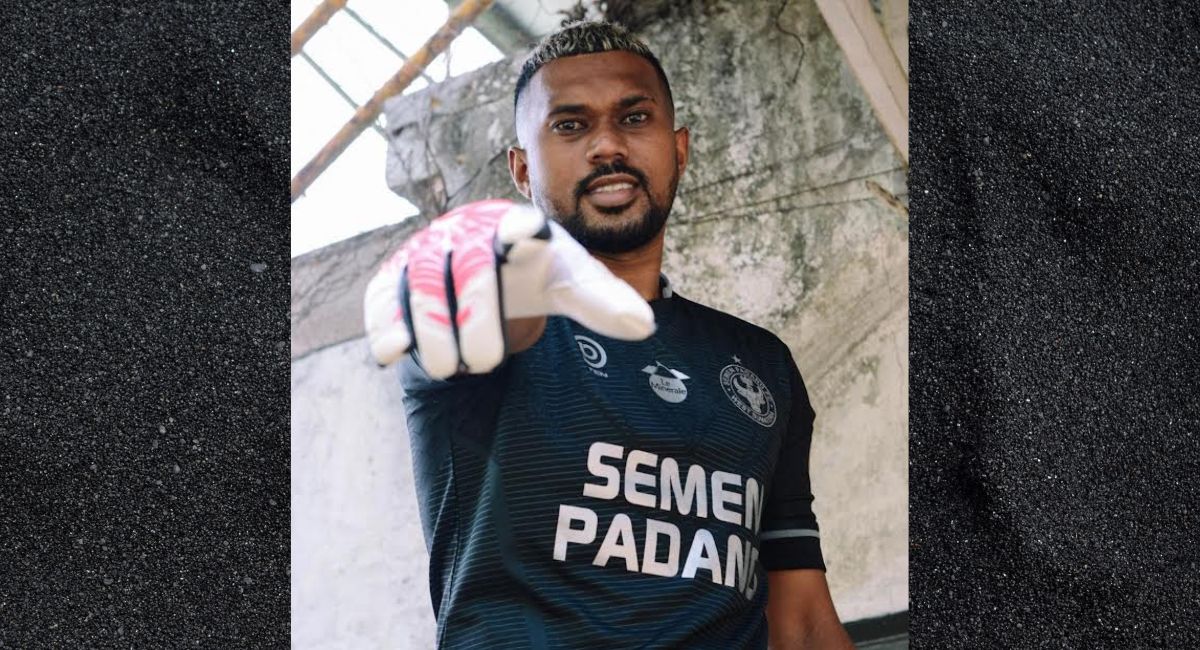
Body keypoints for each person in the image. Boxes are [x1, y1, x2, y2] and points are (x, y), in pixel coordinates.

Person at [363, 20, 855, 649]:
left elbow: (803, 621)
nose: (606, 145)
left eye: (634, 118)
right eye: (570, 125)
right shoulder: (487, 317)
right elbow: (476, 318)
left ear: (679, 149)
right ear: (522, 169)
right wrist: (464, 269)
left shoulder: (763, 365)